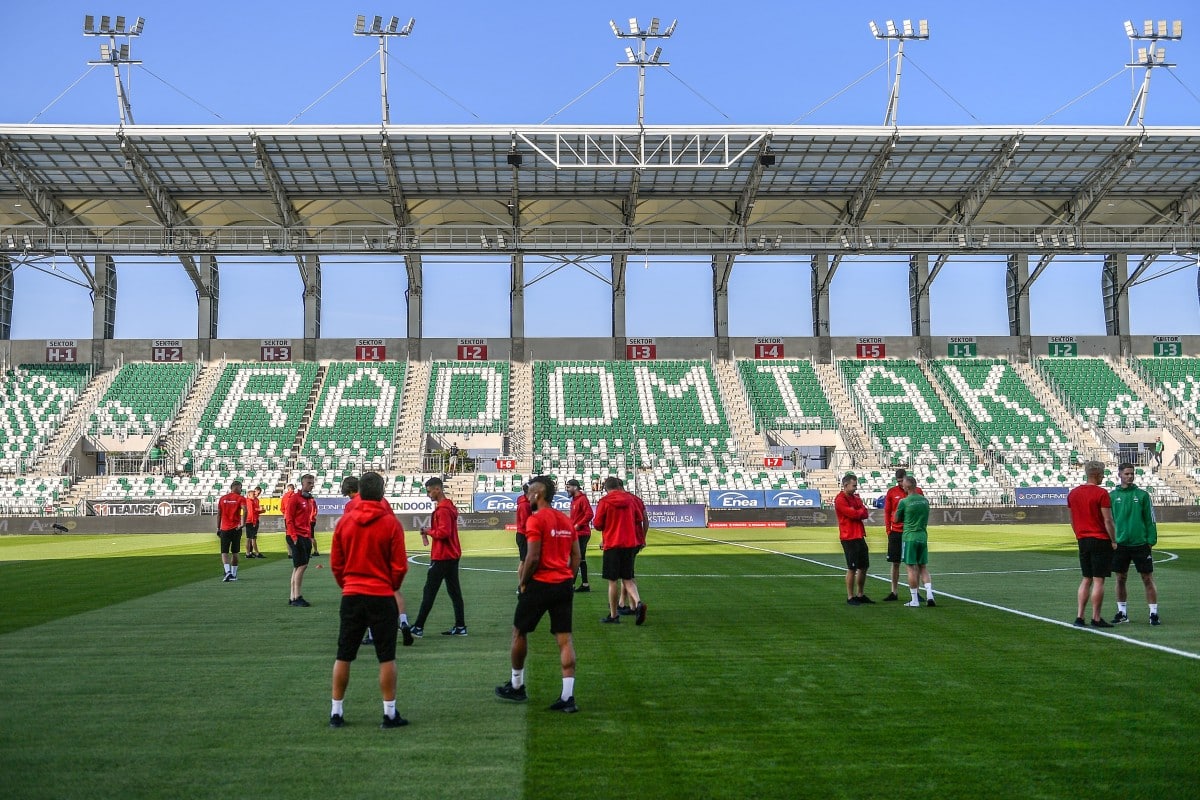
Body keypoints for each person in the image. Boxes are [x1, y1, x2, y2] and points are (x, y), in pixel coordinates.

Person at [329, 471, 410, 729]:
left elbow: (336, 564)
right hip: (381, 595)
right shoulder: (390, 523)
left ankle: (336, 712)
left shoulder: (345, 522)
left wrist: (348, 585)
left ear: (359, 491)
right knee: (386, 657)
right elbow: (399, 566)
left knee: (344, 655)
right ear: (382, 492)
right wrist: (389, 586)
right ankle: (388, 714)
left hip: (352, 594)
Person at [495, 475, 582, 713]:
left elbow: (532, 557)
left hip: (539, 584)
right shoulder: (565, 520)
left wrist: (523, 583)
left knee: (519, 632)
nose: (527, 496)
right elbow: (576, 557)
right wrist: (568, 578)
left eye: (529, 493)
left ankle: (517, 685)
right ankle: (567, 697)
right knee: (564, 639)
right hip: (563, 584)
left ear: (538, 494)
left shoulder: (536, 520)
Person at [348, 476, 413, 647]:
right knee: (394, 589)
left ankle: (372, 633)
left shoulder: (354, 504)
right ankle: (404, 621)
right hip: (387, 549)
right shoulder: (383, 501)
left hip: (368, 553)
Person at [411, 476, 466, 637]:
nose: (428, 495)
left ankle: (419, 627)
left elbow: (443, 533)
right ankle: (460, 626)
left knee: (429, 592)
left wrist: (427, 531)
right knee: (454, 592)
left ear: (438, 489)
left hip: (442, 557)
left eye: (429, 491)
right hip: (451, 556)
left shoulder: (442, 510)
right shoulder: (447, 508)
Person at [1109, 462, 1160, 625]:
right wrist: (1112, 540)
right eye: (1126, 474)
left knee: (1147, 578)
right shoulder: (1111, 496)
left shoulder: (1143, 495)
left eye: (1132, 474)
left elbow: (1150, 519)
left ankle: (1153, 613)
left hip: (1140, 544)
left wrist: (1150, 541)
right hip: (1120, 544)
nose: (1130, 476)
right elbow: (1108, 521)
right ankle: (1122, 612)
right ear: (1119, 475)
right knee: (1120, 578)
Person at [1066, 461, 1116, 628]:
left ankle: (1080, 617)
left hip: (1083, 539)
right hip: (1100, 539)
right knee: (1099, 580)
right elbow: (1108, 520)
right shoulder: (1101, 493)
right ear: (1097, 474)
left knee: (1086, 579)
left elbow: (1072, 520)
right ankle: (1096, 617)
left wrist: (1079, 535)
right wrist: (1114, 540)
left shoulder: (1073, 493)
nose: (1103, 477)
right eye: (1102, 475)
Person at [592, 476, 646, 625]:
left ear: (606, 488)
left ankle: (614, 615)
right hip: (629, 543)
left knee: (612, 582)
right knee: (628, 578)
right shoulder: (630, 500)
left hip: (612, 544)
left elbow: (597, 524)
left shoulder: (604, 502)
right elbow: (638, 518)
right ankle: (638, 602)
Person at [894, 476, 935, 607]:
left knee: (911, 568)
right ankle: (929, 594)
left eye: (904, 485)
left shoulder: (904, 502)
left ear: (907, 487)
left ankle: (915, 600)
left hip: (909, 537)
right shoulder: (924, 501)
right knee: (923, 567)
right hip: (922, 536)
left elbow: (896, 519)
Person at [882, 468, 921, 601]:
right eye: (898, 481)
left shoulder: (917, 491)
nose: (900, 484)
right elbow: (887, 512)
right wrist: (888, 530)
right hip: (896, 532)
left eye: (901, 481)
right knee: (895, 562)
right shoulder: (892, 492)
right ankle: (894, 592)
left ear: (906, 479)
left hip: (911, 532)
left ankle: (917, 592)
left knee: (914, 562)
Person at [834, 473, 873, 605]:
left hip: (859, 535)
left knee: (864, 566)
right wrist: (858, 511)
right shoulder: (840, 499)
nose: (856, 488)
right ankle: (850, 597)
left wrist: (858, 511)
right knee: (852, 567)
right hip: (848, 536)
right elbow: (853, 513)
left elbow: (865, 512)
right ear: (846, 485)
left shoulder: (855, 498)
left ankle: (860, 594)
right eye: (854, 485)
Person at [284, 474, 317, 607]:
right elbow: (289, 518)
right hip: (296, 535)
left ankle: (293, 596)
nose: (311, 485)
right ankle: (297, 596)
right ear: (302, 483)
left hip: (304, 535)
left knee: (298, 566)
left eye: (312, 482)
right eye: (309, 482)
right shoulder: (295, 499)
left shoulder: (309, 499)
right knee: (302, 565)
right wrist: (294, 537)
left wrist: (307, 536)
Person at [216, 480, 247, 582]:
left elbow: (219, 514)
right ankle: (233, 574)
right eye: (240, 488)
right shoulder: (240, 498)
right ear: (237, 487)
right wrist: (243, 523)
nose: (241, 490)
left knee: (224, 552)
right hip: (236, 528)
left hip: (224, 528)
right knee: (235, 552)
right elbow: (245, 510)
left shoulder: (223, 498)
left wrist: (218, 527)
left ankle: (228, 572)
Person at [566, 479, 594, 592]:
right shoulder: (574, 500)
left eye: (568, 487)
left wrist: (578, 525)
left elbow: (590, 514)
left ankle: (571, 584)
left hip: (582, 533)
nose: (567, 489)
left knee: (576, 558)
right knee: (580, 559)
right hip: (577, 533)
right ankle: (585, 584)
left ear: (575, 487)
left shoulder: (582, 499)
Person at [244, 486, 263, 558]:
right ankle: (248, 553)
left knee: (252, 537)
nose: (255, 495)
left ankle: (251, 552)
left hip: (253, 520)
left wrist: (260, 511)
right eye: (254, 494)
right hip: (250, 521)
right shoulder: (249, 501)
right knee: (249, 538)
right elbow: (251, 512)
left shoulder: (255, 500)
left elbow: (254, 511)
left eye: (257, 493)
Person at [281, 483, 296, 559]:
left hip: (287, 517)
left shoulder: (284, 497)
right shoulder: (296, 496)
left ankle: (289, 553)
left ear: (288, 489)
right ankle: (295, 551)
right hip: (295, 517)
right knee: (295, 533)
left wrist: (286, 513)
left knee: (288, 533)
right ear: (293, 488)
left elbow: (282, 508)